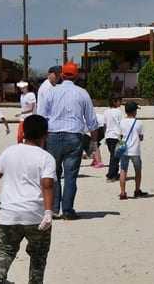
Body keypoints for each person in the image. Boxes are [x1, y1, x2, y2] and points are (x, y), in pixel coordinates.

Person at [0, 114, 55, 284]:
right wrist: (48, 212)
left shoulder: (9, 152)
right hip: (35, 215)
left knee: (6, 251)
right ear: (45, 134)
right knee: (38, 255)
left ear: (24, 132)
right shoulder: (46, 157)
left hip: (9, 213)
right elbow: (47, 184)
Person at [37, 62, 98, 220]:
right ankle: (68, 210)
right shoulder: (82, 93)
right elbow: (92, 121)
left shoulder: (51, 92)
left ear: (62, 75)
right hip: (74, 136)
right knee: (71, 175)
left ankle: (54, 208)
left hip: (53, 136)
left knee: (53, 174)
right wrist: (94, 142)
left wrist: (40, 140)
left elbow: (41, 116)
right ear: (76, 75)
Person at [118, 101, 147, 200]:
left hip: (124, 150)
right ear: (134, 111)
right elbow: (141, 137)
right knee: (138, 171)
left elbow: (121, 135)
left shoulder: (122, 121)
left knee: (123, 170)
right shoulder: (138, 122)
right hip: (135, 150)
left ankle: (122, 192)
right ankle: (137, 190)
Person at [104, 96, 123, 182]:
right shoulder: (119, 112)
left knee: (113, 155)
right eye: (119, 101)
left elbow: (105, 125)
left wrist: (105, 135)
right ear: (115, 102)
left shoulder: (106, 112)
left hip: (108, 136)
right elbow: (121, 124)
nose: (120, 103)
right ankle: (111, 175)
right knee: (115, 156)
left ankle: (115, 173)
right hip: (116, 136)